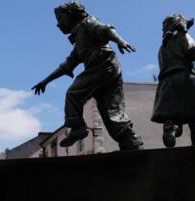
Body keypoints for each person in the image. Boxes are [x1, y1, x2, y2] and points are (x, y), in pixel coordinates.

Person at [32, 1, 143, 150]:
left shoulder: (88, 23)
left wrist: (120, 41)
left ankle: (77, 127)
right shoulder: (79, 42)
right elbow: (68, 65)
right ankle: (130, 142)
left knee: (73, 94)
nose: (58, 25)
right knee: (110, 111)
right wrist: (45, 81)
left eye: (60, 19)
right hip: (107, 70)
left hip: (103, 66)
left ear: (71, 16)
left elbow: (106, 29)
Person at [151, 14, 195, 147]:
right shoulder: (182, 37)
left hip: (166, 84)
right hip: (185, 80)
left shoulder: (162, 48)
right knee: (194, 123)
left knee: (175, 118)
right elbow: (194, 49)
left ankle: (172, 128)